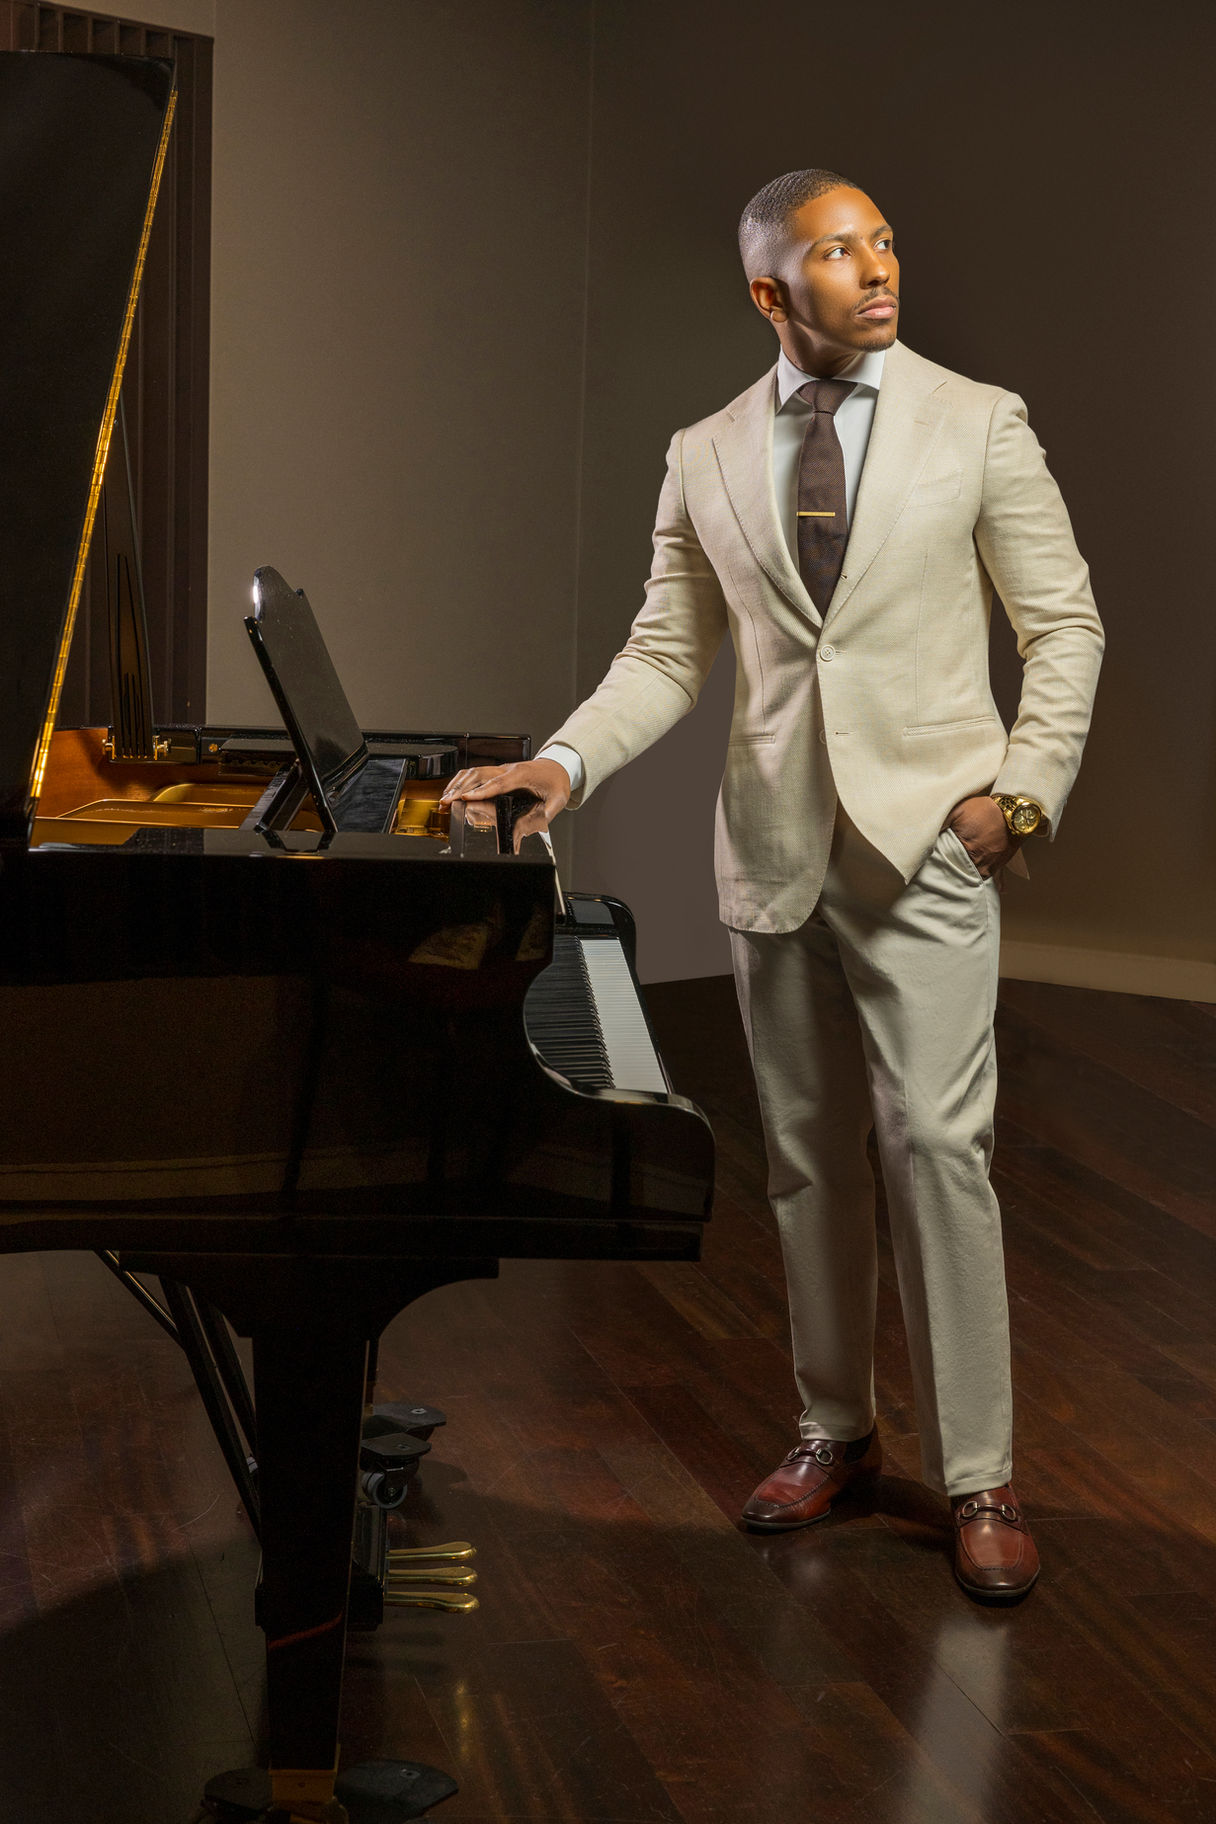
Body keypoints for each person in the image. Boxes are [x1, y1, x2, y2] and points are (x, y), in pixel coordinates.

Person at [440, 169, 1103, 1602]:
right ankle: (835, 1431)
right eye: (838, 251)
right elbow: (666, 651)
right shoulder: (704, 453)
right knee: (805, 1159)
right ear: (768, 290)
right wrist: (562, 763)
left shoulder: (979, 421)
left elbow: (1064, 625)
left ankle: (980, 1475)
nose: (878, 267)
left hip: (930, 848)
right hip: (775, 851)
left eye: (883, 241)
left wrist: (1019, 797)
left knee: (939, 1151)